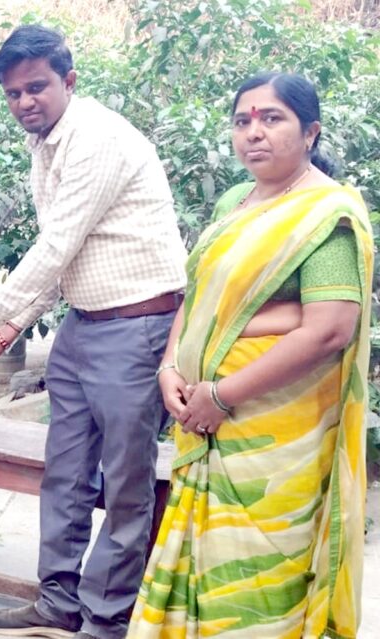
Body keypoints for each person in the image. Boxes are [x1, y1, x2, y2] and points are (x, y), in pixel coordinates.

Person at [0, 25, 190, 639]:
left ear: (68, 81)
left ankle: (105, 620)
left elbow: (56, 244)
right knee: (66, 473)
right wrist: (11, 326)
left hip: (138, 326)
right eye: (13, 93)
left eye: (37, 87)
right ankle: (57, 602)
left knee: (126, 484)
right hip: (82, 324)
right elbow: (66, 256)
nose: (25, 101)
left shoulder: (97, 136)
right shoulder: (46, 143)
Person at [128, 72, 372, 639]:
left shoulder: (327, 216)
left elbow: (330, 330)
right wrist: (170, 365)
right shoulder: (236, 201)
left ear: (310, 132)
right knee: (200, 562)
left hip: (274, 441)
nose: (253, 133)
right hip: (201, 418)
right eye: (243, 121)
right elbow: (201, 296)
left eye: (272, 118)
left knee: (256, 573)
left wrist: (221, 395)